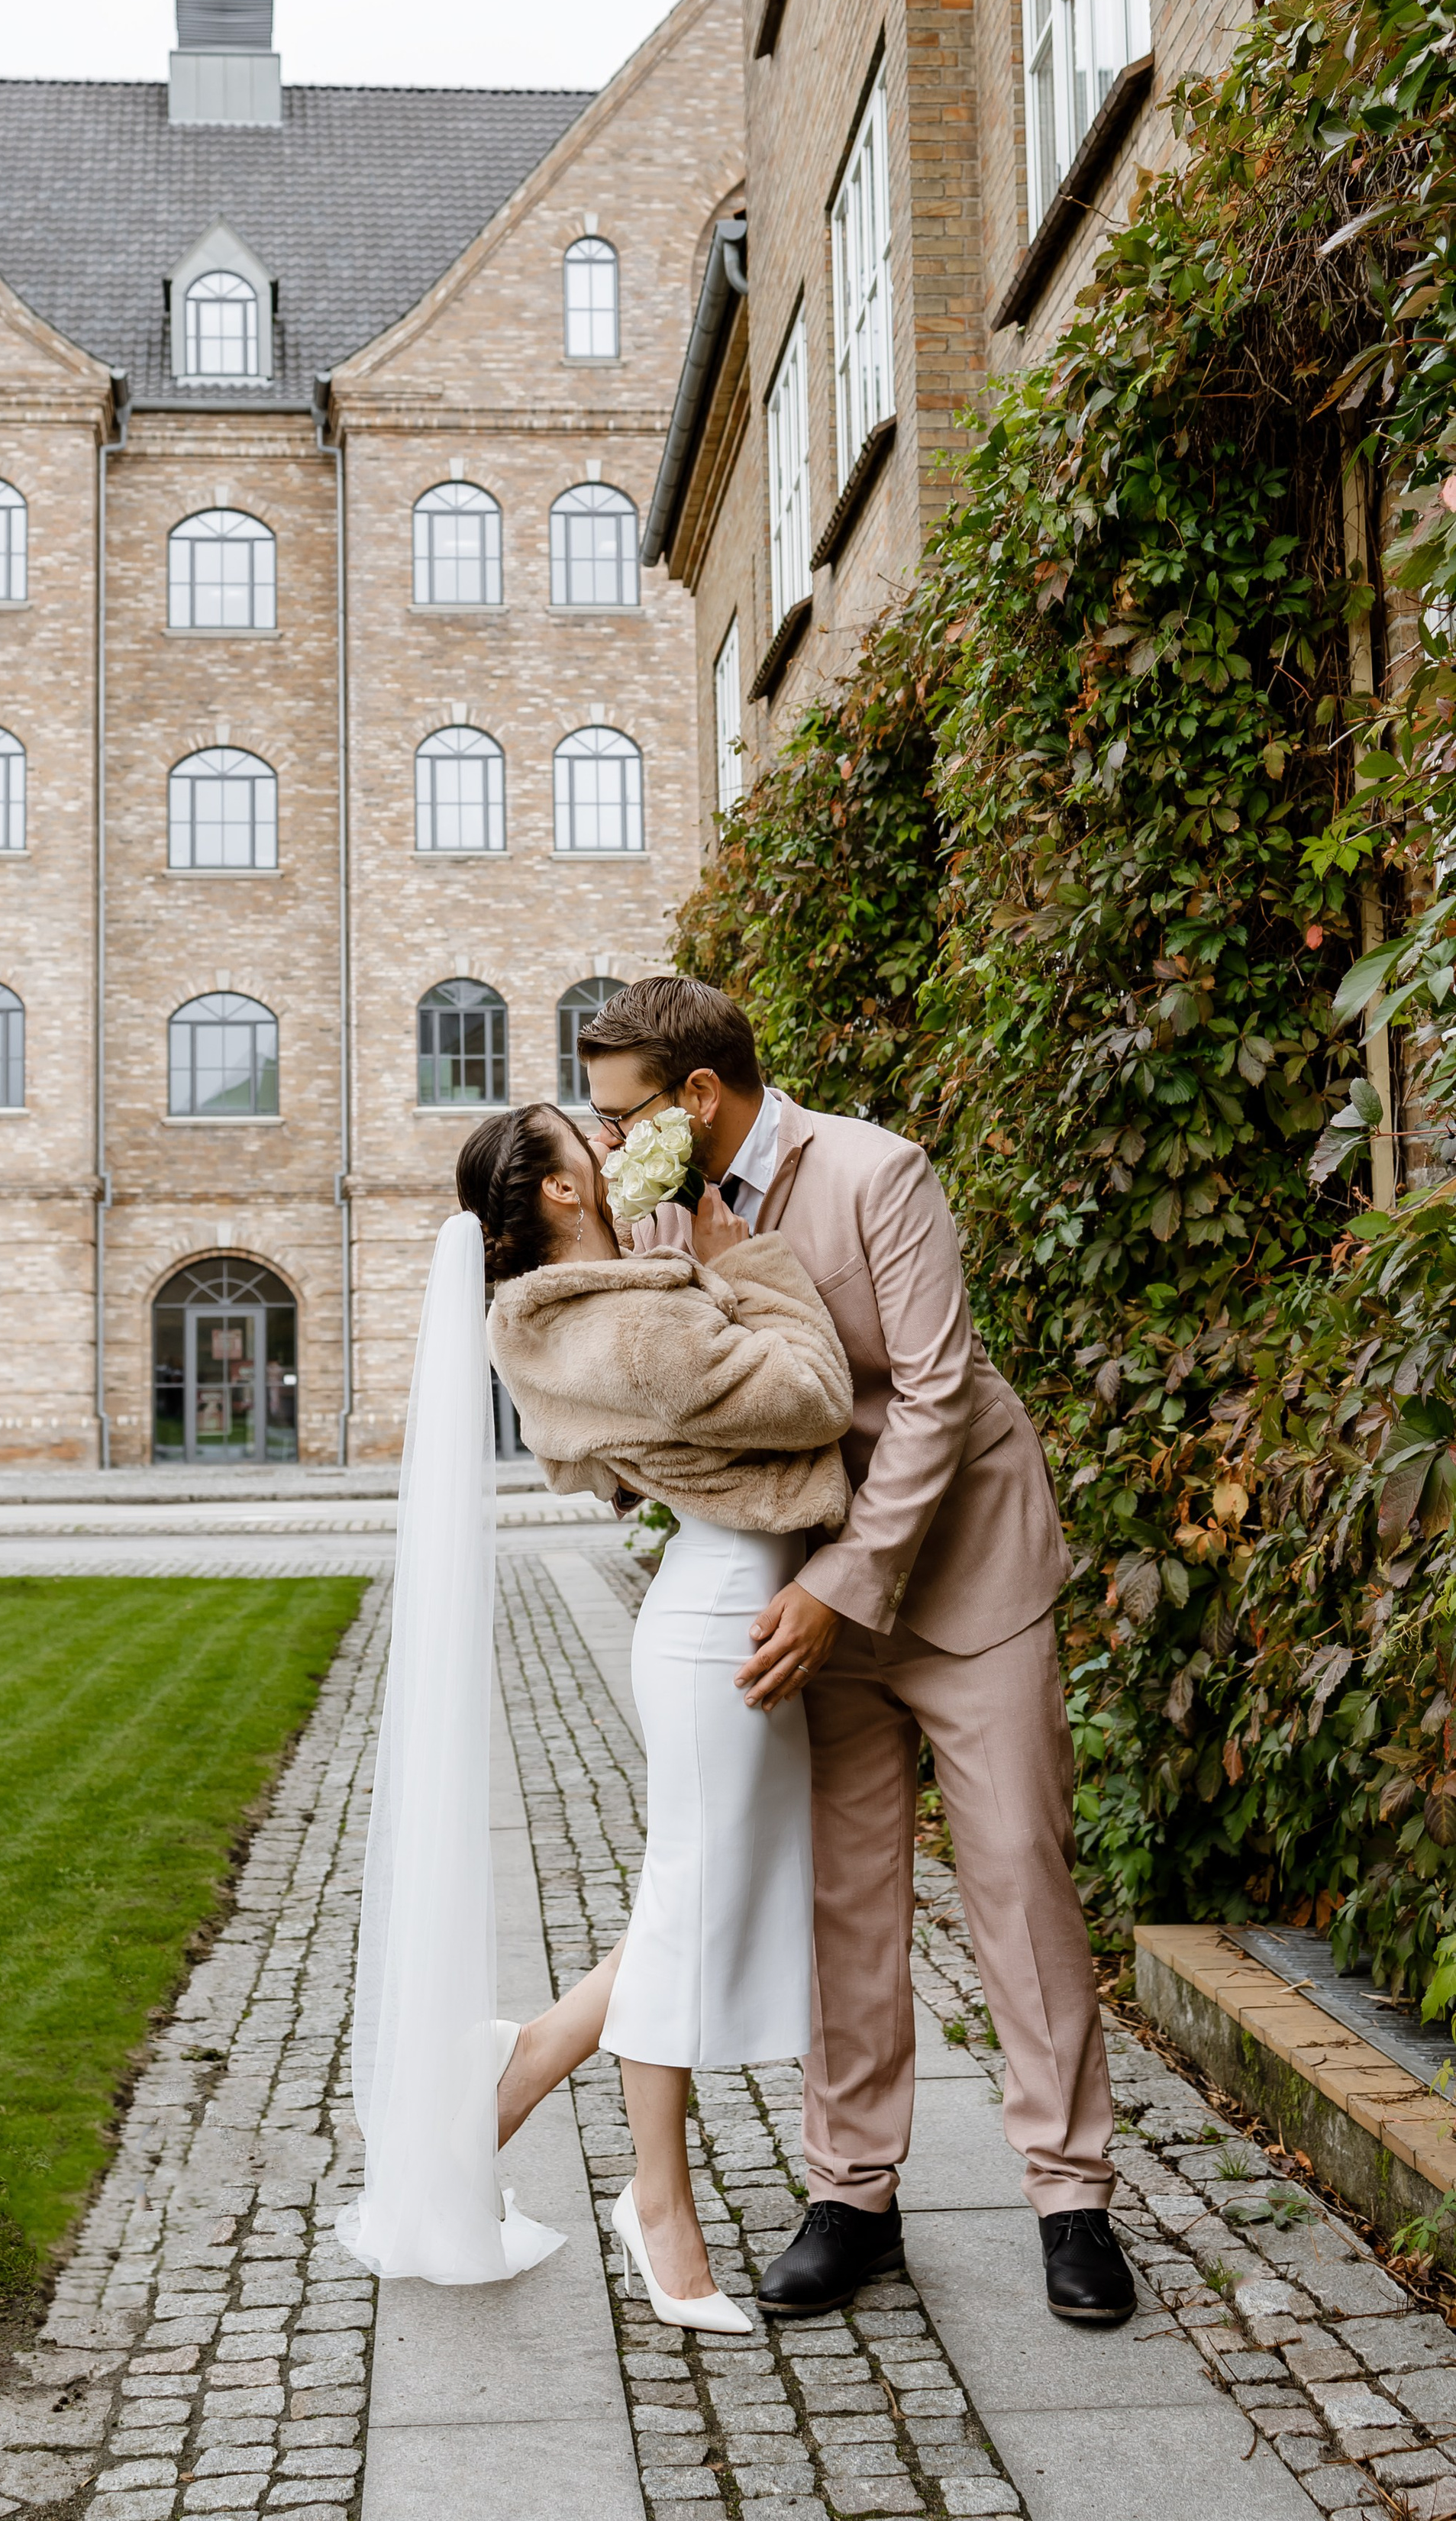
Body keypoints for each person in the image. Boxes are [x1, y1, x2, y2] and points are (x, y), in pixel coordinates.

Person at [574, 972, 1133, 2330]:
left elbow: (937, 1394)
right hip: (805, 1593)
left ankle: (1072, 2202)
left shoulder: (882, 1172)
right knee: (845, 1900)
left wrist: (846, 1583)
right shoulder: (658, 1210)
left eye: (621, 1114)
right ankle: (852, 2198)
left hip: (966, 1577)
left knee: (1018, 1880)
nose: (607, 1145)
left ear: (698, 1096)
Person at [457, 1099, 854, 2332]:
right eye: (591, 1140)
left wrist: (692, 1270)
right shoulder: (634, 1324)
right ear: (565, 1195)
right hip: (719, 1622)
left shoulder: (590, 1318)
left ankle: (524, 2065)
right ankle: (657, 2206)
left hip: (723, 1608)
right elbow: (813, 1397)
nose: (613, 1145)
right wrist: (743, 1261)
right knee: (687, 1911)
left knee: (695, 1897)